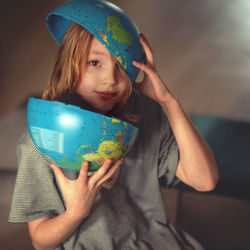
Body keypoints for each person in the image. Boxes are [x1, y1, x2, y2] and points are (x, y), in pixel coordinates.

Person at [9, 0, 219, 249]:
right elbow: (41, 241)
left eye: (121, 66)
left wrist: (168, 102)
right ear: (67, 64)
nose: (110, 79)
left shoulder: (144, 112)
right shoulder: (40, 140)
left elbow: (205, 180)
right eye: (95, 63)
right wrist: (75, 211)